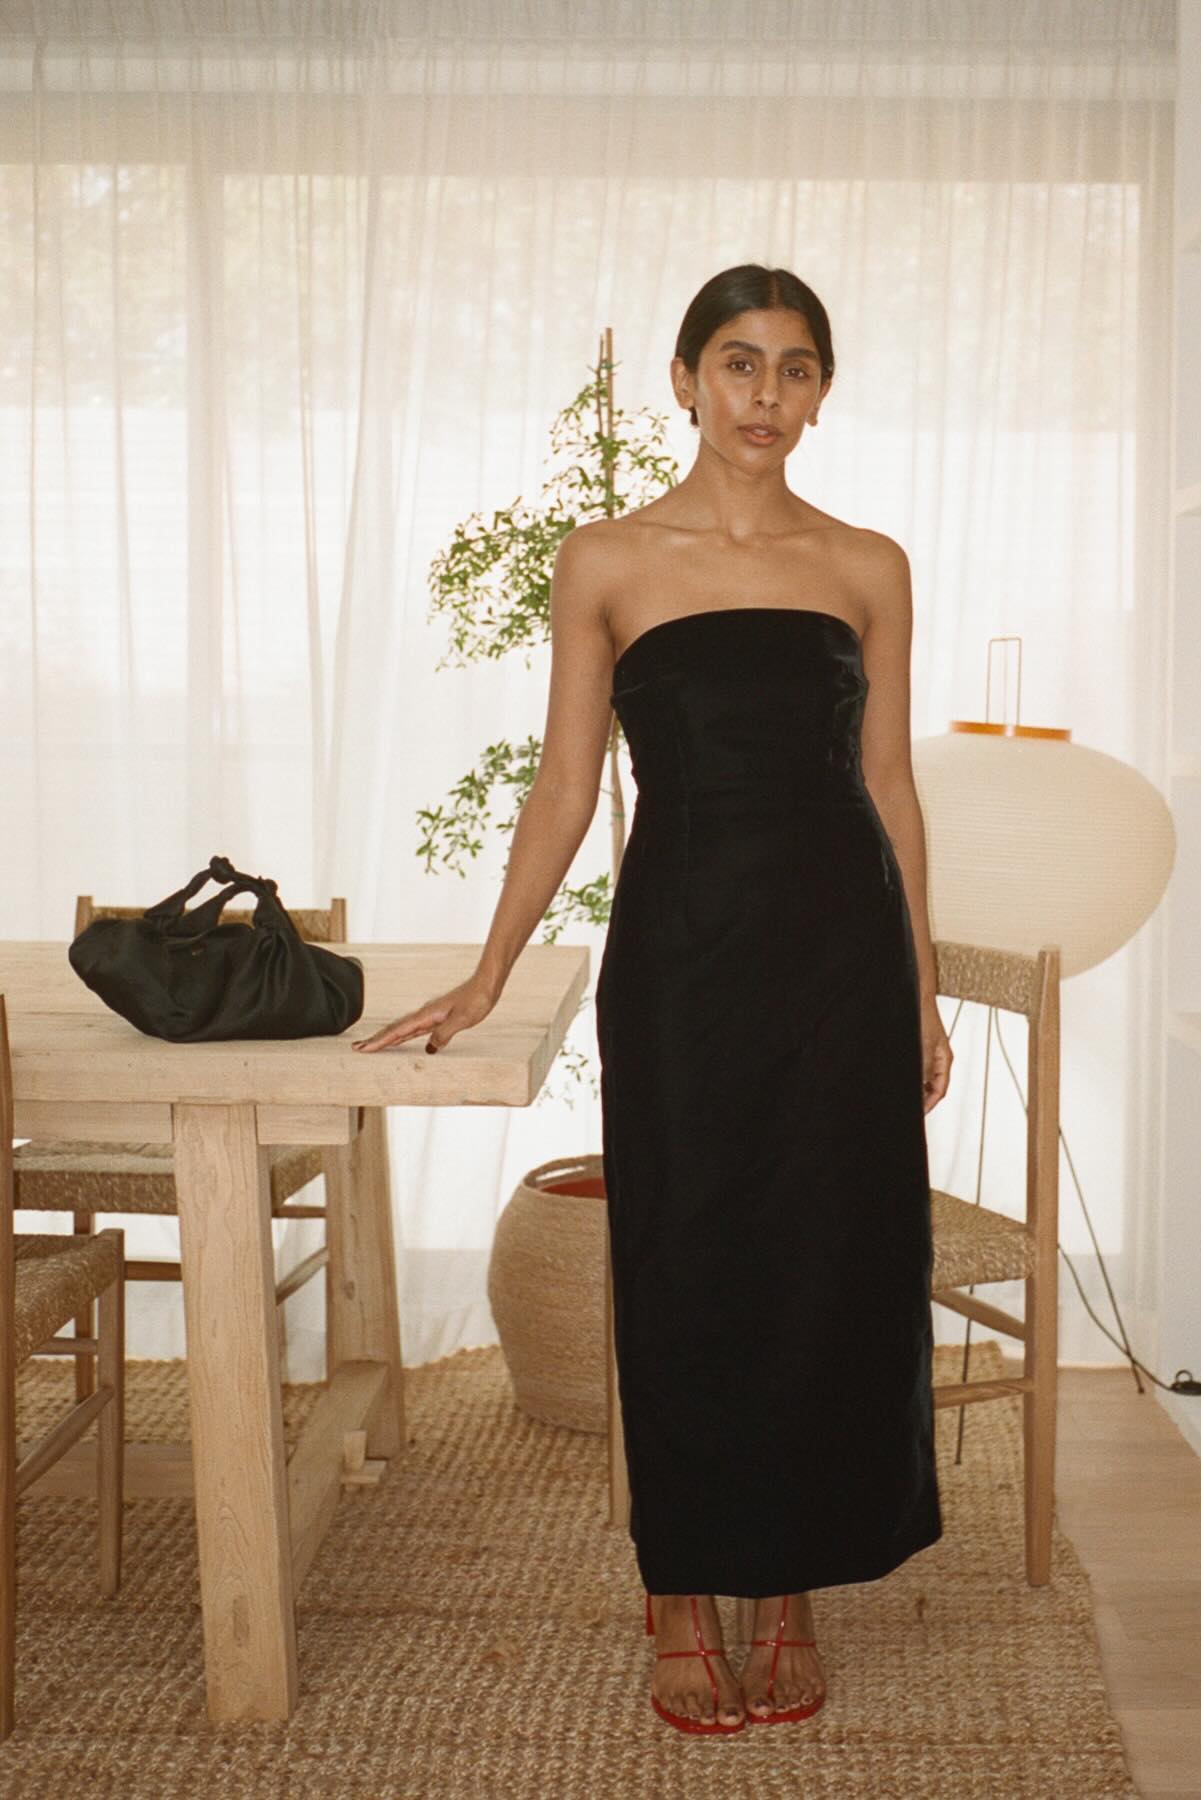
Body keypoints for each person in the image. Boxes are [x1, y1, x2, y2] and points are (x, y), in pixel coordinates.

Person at [355, 263, 953, 1736]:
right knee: (690, 1260)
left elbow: (889, 784)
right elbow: (570, 783)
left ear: (823, 389)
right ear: (685, 381)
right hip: (683, 953)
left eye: (797, 368)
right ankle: (681, 1589)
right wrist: (489, 967)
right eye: (739, 364)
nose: (768, 396)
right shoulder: (605, 560)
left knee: (827, 1255)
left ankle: (794, 1579)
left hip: (839, 955)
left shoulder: (867, 564)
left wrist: (923, 990)